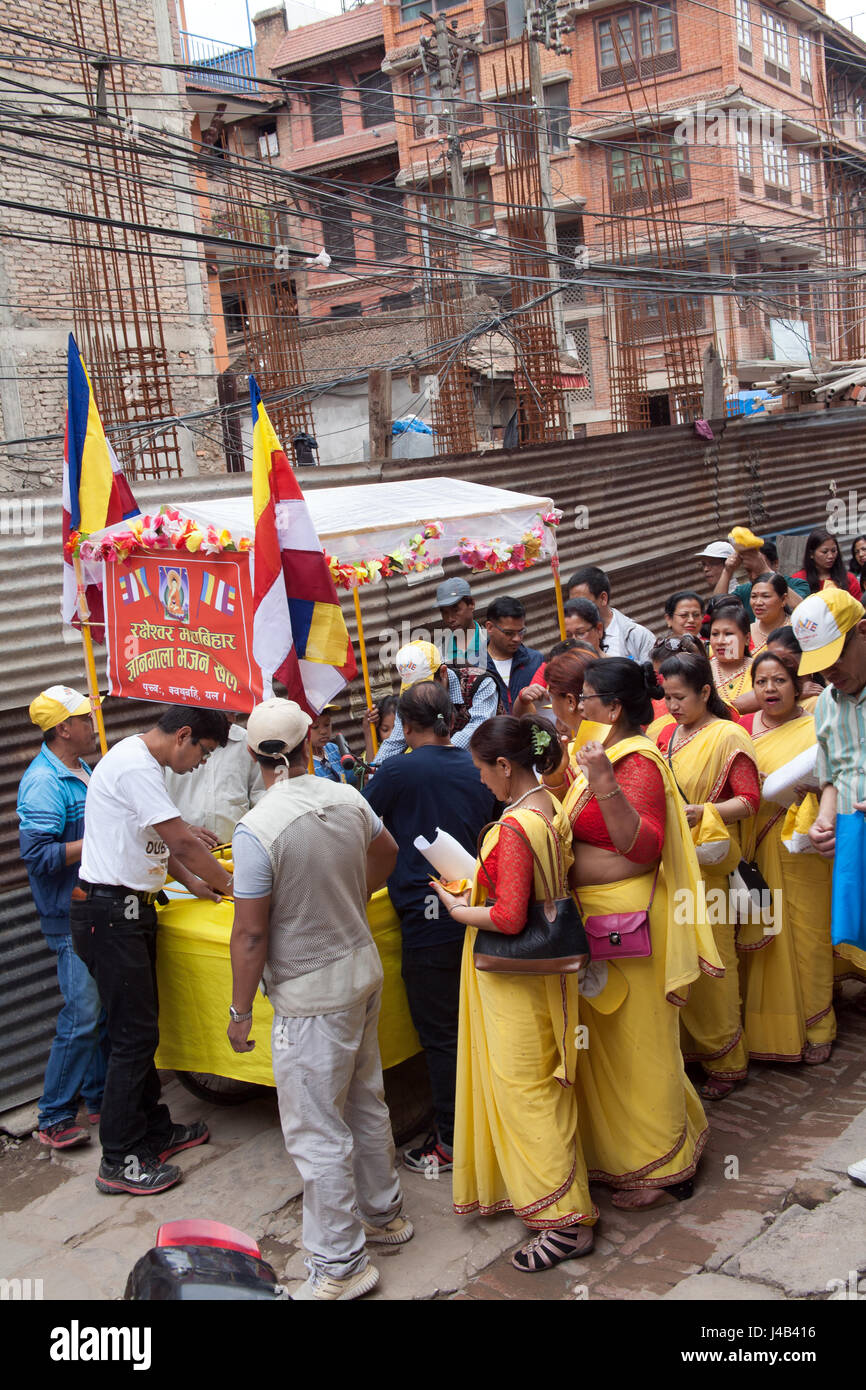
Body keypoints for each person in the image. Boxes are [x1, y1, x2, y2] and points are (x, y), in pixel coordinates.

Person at [227, 697, 410, 1301]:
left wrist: (237, 1012)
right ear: (311, 742)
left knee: (315, 1129)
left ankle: (340, 1264)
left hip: (310, 995)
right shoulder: (347, 796)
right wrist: (346, 896)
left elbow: (251, 932)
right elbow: (386, 856)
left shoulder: (258, 829)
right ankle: (385, 1216)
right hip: (360, 969)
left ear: (255, 756)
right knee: (364, 1098)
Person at [545, 654, 720, 1209]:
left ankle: (662, 1168)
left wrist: (601, 783)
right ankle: (640, 1150)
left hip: (631, 929)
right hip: (601, 923)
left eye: (585, 700)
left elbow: (642, 850)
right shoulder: (600, 752)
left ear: (613, 707)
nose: (577, 710)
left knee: (641, 1047)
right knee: (614, 1050)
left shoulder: (635, 761)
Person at [431, 714, 598, 1271]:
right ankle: (556, 1198)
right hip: (544, 975)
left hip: (514, 982)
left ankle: (566, 1222)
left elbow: (507, 915)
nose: (480, 781)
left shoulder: (513, 828)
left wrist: (458, 907)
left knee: (528, 1093)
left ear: (506, 766)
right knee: (546, 1085)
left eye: (483, 770)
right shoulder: (550, 807)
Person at [70, 706, 233, 1197]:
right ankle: (118, 1159)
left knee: (140, 1032)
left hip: (128, 913)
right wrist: (231, 883)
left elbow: (158, 846)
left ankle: (154, 1132)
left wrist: (200, 886)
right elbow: (181, 840)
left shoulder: (141, 764)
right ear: (183, 735)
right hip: (110, 916)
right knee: (133, 1039)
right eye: (203, 752)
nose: (202, 764)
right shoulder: (136, 765)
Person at [363, 681, 496, 1174]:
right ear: (453, 719)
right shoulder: (477, 766)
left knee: (441, 1035)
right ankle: (484, 1126)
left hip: (428, 917)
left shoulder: (396, 770)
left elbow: (361, 828)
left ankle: (451, 1142)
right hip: (481, 912)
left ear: (404, 724)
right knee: (479, 1026)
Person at [656, 651, 760, 1099]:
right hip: (673, 867)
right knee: (681, 962)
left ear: (704, 692)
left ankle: (728, 1059)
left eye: (681, 697)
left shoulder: (728, 736)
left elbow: (750, 800)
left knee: (716, 964)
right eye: (667, 697)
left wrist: (706, 811)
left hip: (711, 866)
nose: (673, 705)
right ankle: (691, 1053)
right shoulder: (664, 736)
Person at [17, 687, 107, 1150]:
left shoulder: (80, 770)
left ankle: (98, 1098)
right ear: (63, 729)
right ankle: (53, 1116)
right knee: (83, 1013)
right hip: (66, 914)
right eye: (84, 720)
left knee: (98, 1013)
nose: (93, 726)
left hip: (89, 906)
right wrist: (100, 842)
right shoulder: (45, 782)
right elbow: (37, 855)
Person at [737, 649, 835, 1066]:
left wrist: (813, 789)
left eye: (779, 680)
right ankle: (766, 1031)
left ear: (798, 685)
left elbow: (836, 779)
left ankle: (818, 1026)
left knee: (808, 938)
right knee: (761, 943)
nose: (770, 689)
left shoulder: (818, 730)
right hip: (751, 850)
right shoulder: (738, 730)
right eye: (761, 681)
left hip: (801, 848)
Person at [372, 641, 501, 763]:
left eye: (426, 687)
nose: (420, 696)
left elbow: (478, 729)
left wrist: (436, 754)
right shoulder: (411, 698)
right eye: (414, 688)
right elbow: (395, 742)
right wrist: (376, 772)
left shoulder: (480, 684)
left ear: (443, 672)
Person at [164, 711, 264, 843]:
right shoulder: (171, 744)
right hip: (183, 848)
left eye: (234, 710)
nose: (233, 718)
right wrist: (182, 829)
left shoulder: (247, 742)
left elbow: (260, 797)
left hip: (234, 849)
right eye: (226, 710)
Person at [711, 527, 808, 621]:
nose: (753, 576)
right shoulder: (745, 590)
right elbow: (717, 607)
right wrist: (727, 571)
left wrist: (765, 572)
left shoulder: (797, 584)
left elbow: (802, 610)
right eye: (749, 571)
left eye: (758, 571)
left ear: (775, 564)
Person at [567, 566, 654, 664]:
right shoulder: (570, 638)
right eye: (573, 603)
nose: (576, 609)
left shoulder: (638, 636)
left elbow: (653, 676)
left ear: (603, 598)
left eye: (583, 602)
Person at [483, 596, 544, 710]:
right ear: (490, 627)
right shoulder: (473, 665)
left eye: (521, 632)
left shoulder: (536, 661)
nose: (517, 638)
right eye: (509, 633)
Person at [709, 599, 758, 713]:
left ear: (746, 639)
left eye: (728, 634)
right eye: (715, 634)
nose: (720, 641)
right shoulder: (702, 672)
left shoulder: (761, 669)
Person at [792, 526, 862, 600]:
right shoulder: (798, 580)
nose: (830, 556)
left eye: (834, 551)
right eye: (824, 552)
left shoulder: (849, 579)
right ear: (811, 554)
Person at [435, 576, 485, 666]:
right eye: (445, 612)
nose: (450, 619)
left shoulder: (491, 642)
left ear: (471, 604)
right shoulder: (437, 651)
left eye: (456, 610)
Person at [749, 573, 791, 657]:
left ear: (783, 599)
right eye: (754, 596)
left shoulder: (796, 630)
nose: (758, 602)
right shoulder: (744, 632)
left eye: (765, 596)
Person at [363, 695, 397, 763]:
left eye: (396, 729)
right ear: (378, 730)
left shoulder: (412, 749)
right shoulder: (373, 751)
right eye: (385, 730)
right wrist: (368, 732)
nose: (391, 735)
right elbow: (371, 773)